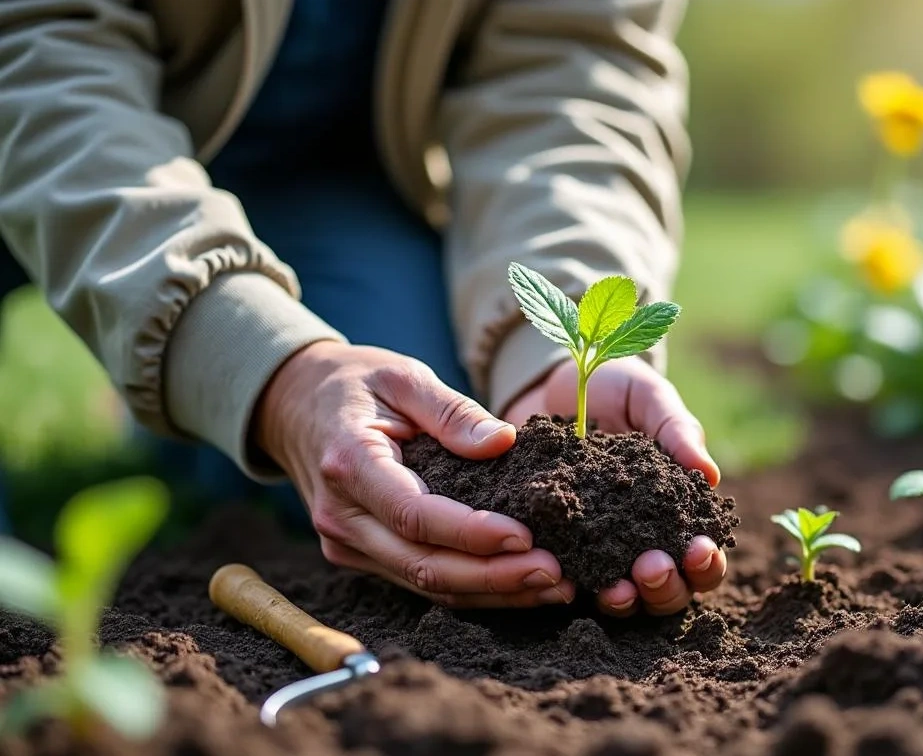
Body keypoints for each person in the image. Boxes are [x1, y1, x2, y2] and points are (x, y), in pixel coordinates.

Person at [0, 0, 727, 617]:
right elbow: (35, 54)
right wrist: (275, 373)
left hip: (321, 174)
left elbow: (571, 71)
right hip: (51, 117)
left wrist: (542, 345)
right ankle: (183, 365)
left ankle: (177, 401)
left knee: (413, 467)